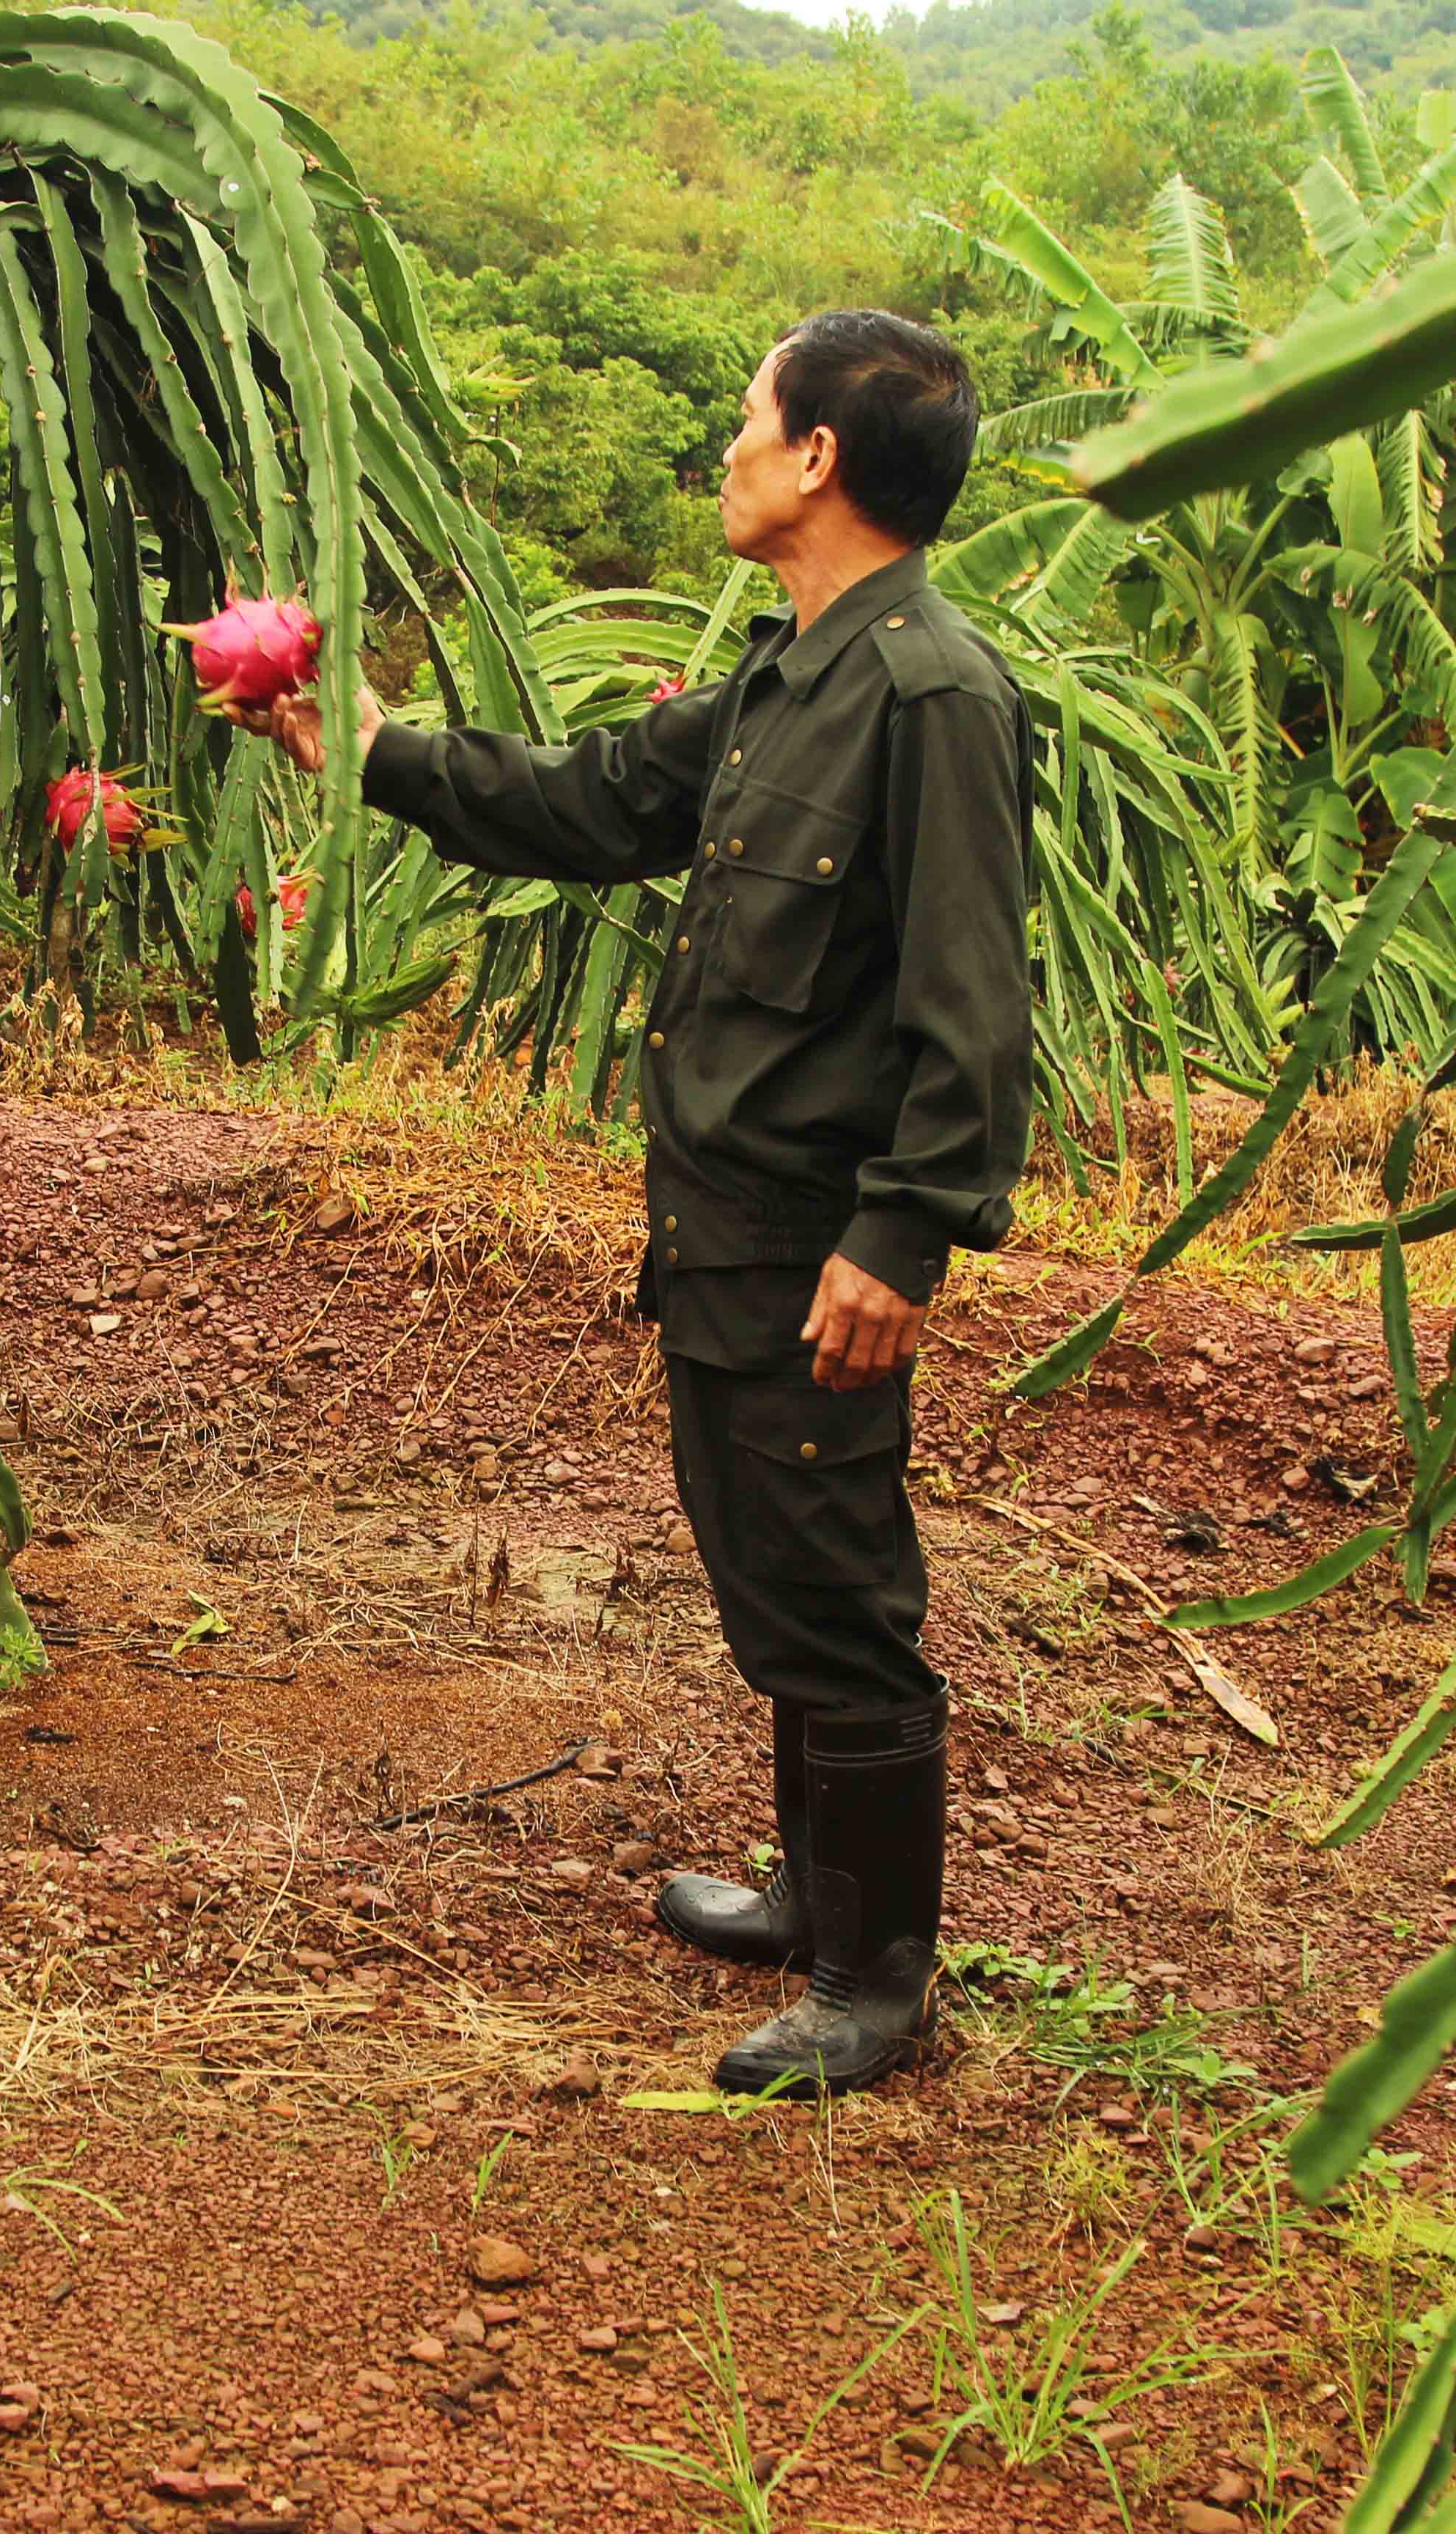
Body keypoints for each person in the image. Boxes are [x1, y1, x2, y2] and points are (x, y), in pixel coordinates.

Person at [238, 310, 1033, 2095]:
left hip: (823, 1234)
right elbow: (595, 806)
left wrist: (904, 1235)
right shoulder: (788, 678)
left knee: (837, 1581)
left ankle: (878, 1984)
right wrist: (376, 751)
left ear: (821, 456)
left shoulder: (935, 699)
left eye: (749, 420)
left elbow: (975, 1008)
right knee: (767, 1560)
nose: (729, 448)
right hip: (726, 1217)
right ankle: (816, 1905)